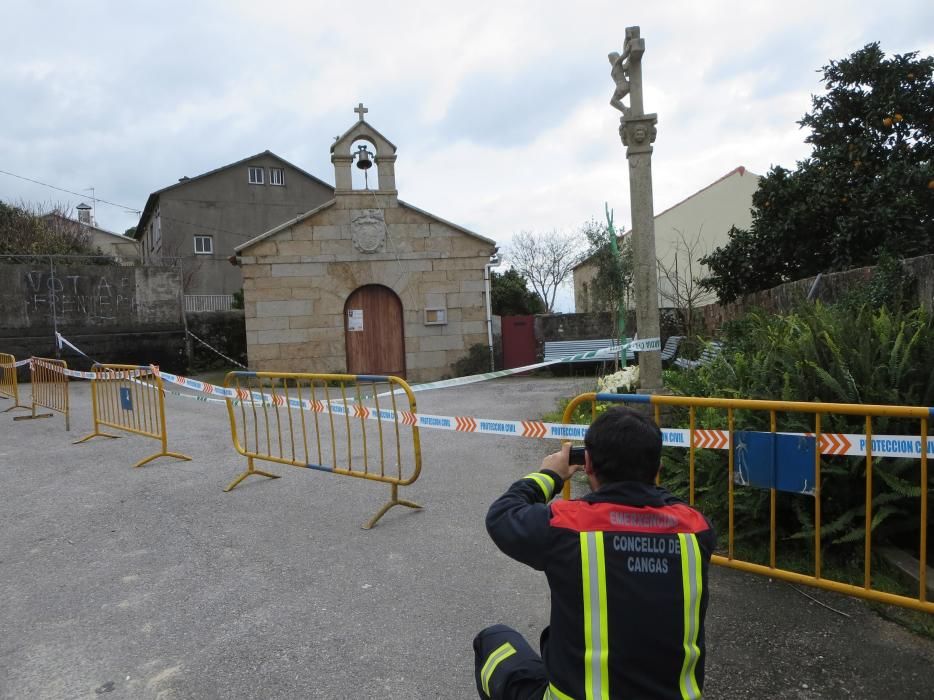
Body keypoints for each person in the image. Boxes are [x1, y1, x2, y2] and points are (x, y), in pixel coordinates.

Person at [473, 406, 715, 699]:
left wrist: (550, 474)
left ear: (587, 463)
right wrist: (643, 482)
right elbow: (670, 503)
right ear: (658, 468)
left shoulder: (567, 527)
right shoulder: (697, 532)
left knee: (494, 642)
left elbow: (502, 514)